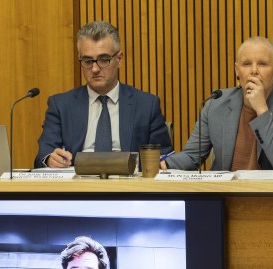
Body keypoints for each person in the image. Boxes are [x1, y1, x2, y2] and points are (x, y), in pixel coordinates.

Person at [34, 21, 172, 168]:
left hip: (130, 187)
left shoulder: (146, 105)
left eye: (103, 59)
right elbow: (43, 155)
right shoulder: (60, 105)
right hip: (77, 187)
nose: (94, 69)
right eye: (87, 61)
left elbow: (164, 157)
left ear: (119, 59)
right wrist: (50, 159)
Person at [161, 36, 273, 171]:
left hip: (270, 196)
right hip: (224, 195)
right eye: (246, 64)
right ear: (237, 71)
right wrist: (164, 164)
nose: (254, 71)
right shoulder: (215, 103)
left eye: (262, 64)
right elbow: (192, 157)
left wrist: (261, 110)